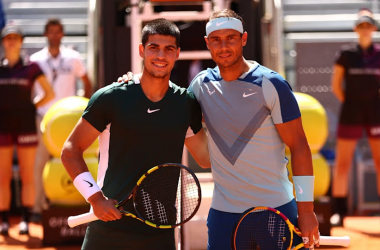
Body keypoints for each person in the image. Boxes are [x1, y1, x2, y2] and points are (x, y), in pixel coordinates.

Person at [120, 9, 320, 250]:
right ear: (207, 43)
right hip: (224, 214)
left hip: (275, 209)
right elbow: (167, 99)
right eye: (216, 39)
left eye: (230, 38)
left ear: (243, 39)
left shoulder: (272, 84)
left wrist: (306, 210)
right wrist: (134, 81)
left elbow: (299, 146)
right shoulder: (201, 86)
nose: (223, 46)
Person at [61, 18, 210, 250]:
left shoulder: (185, 104)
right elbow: (71, 151)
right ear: (141, 50)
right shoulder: (110, 98)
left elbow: (205, 158)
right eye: (154, 48)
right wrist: (96, 199)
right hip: (107, 231)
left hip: (159, 231)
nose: (161, 55)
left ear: (178, 54)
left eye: (169, 49)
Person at [30, 18, 93, 221]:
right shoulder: (35, 59)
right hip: (44, 119)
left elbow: (86, 81)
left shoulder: (72, 57)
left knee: (75, 159)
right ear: (45, 34)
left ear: (62, 34)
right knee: (40, 163)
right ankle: (39, 207)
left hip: (69, 118)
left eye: (58, 32)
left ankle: (82, 202)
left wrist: (81, 105)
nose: (54, 35)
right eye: (51, 32)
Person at [0, 24, 54, 235]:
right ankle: (4, 221)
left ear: (21, 41)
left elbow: (49, 93)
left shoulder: (31, 67)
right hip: (2, 126)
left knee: (27, 175)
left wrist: (31, 106)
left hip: (25, 124)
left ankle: (25, 219)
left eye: (15, 37)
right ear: (4, 42)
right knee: (2, 176)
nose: (11, 41)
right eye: (8, 38)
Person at [331, 8, 380, 226]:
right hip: (351, 112)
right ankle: (339, 213)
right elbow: (335, 86)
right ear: (355, 29)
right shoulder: (346, 54)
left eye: (368, 25)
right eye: (361, 26)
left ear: (374, 28)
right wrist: (352, 102)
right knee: (343, 163)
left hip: (376, 113)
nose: (365, 29)